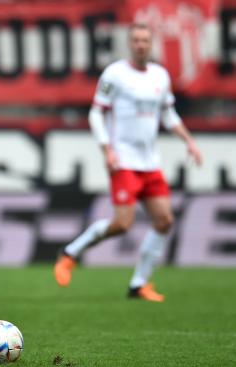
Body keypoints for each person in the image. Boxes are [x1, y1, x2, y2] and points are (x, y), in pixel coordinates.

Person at [53, 23, 202, 302]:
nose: (141, 45)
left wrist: (189, 141)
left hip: (150, 162)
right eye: (136, 40)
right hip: (123, 160)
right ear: (129, 44)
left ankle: (138, 284)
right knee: (122, 224)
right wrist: (107, 149)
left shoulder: (160, 75)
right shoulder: (115, 74)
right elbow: (96, 114)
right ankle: (70, 252)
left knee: (164, 220)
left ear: (151, 44)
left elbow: (168, 115)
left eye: (145, 40)